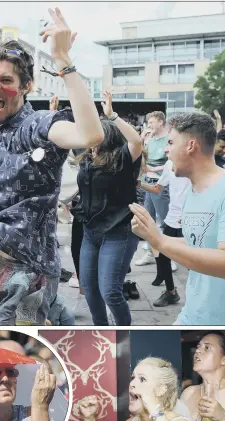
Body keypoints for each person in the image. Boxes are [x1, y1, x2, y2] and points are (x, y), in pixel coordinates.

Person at [0, 7, 104, 325]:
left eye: (5, 80)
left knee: (16, 331)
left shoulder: (37, 125)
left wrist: (63, 62)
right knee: (39, 323)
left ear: (26, 86)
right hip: (5, 260)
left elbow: (90, 134)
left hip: (31, 274)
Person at [130, 112, 225, 325]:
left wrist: (161, 241)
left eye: (170, 142)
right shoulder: (190, 192)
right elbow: (198, 244)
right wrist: (153, 235)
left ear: (190, 145)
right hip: (193, 314)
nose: (165, 149)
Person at [75, 90, 142, 326]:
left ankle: (123, 333)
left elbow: (136, 141)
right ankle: (101, 332)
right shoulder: (86, 158)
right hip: (90, 233)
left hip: (118, 231)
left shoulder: (123, 157)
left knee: (110, 292)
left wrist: (112, 115)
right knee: (90, 291)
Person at [80, 357, 196, 421]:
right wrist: (89, 418)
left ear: (161, 390)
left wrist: (153, 409)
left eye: (142, 379)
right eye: (133, 378)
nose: (132, 383)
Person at [138, 158, 191, 306]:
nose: (167, 148)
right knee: (163, 258)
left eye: (171, 143)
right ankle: (171, 292)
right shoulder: (168, 164)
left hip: (188, 220)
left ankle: (199, 296)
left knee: (191, 262)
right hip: (171, 219)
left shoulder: (193, 163)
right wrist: (139, 184)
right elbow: (157, 189)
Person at [135, 111, 170, 267]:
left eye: (151, 123)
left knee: (163, 220)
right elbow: (141, 156)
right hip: (147, 183)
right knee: (148, 219)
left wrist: (156, 169)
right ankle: (150, 252)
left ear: (161, 122)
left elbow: (172, 160)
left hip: (161, 184)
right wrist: (142, 140)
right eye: (147, 123)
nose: (149, 126)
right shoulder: (149, 140)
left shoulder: (168, 139)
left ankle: (167, 257)